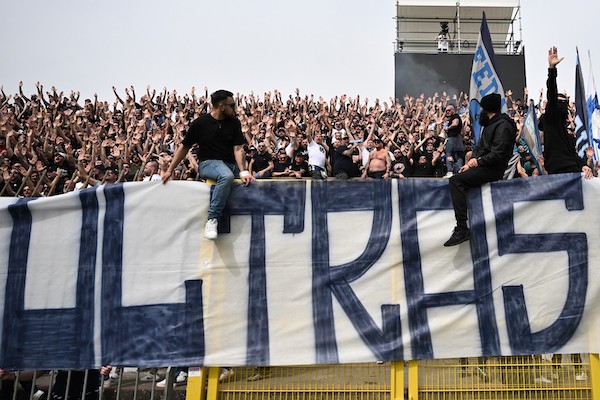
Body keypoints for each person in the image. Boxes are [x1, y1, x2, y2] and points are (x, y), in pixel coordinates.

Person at [162, 89, 254, 240]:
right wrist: (170, 170)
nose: (235, 108)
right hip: (208, 163)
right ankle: (212, 219)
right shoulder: (200, 123)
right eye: (232, 105)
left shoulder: (234, 122)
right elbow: (184, 147)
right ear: (221, 106)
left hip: (230, 164)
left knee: (251, 182)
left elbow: (238, 149)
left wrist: (244, 172)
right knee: (226, 177)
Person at [445, 93, 516, 246]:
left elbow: (498, 154)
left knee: (455, 181)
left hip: (493, 168)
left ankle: (462, 228)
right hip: (484, 165)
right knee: (460, 175)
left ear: (487, 109)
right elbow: (480, 147)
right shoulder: (490, 124)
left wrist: (477, 162)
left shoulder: (503, 125)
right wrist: (470, 162)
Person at [539, 46, 593, 179]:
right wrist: (552, 70)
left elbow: (572, 154)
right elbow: (551, 92)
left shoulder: (564, 130)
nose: (563, 104)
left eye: (565, 101)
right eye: (560, 101)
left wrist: (583, 165)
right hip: (558, 171)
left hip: (572, 169)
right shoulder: (550, 118)